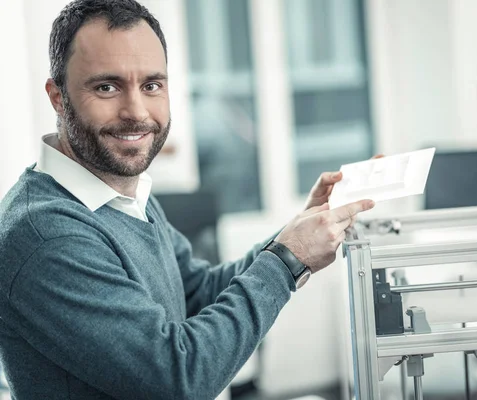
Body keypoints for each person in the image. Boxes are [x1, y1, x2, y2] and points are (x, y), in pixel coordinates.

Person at [0, 1, 375, 399]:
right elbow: (178, 378)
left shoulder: (123, 193)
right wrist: (287, 259)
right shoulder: (47, 235)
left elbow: (197, 292)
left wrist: (294, 235)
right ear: (58, 97)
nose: (136, 111)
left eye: (151, 85)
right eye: (106, 87)